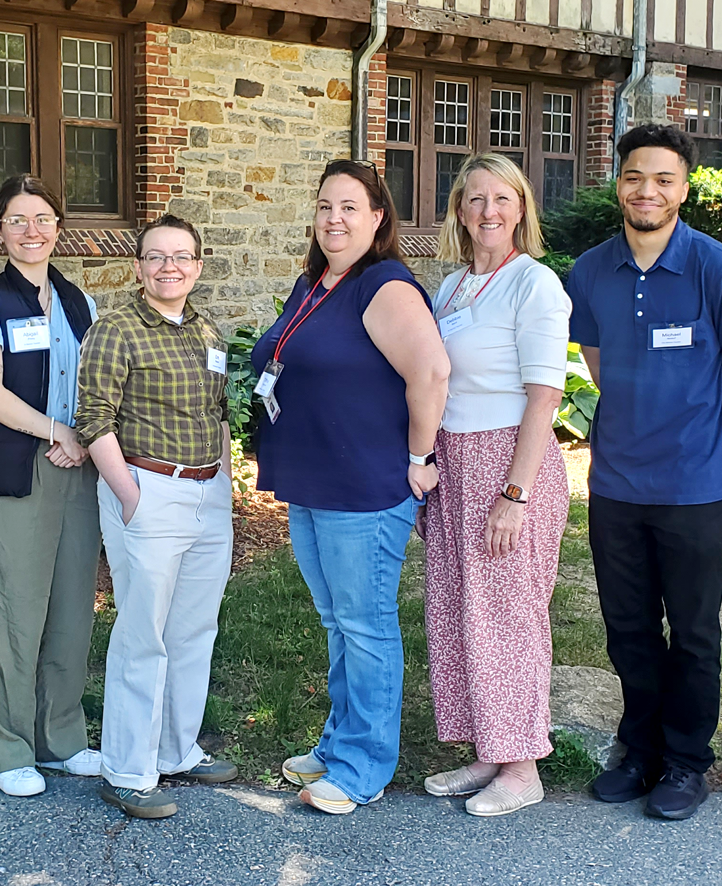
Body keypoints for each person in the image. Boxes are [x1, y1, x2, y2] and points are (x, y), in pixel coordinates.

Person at [567, 125, 722, 821]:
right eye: (634, 177)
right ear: (618, 183)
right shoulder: (589, 271)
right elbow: (595, 359)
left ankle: (686, 763)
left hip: (694, 487)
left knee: (694, 631)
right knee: (628, 630)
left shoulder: (716, 268)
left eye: (663, 179)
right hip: (616, 484)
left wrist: (694, 423)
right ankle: (640, 749)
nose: (646, 190)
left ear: (684, 188)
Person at [252, 159, 450, 815]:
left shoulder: (382, 285)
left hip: (363, 486)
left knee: (365, 627)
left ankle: (364, 766)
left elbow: (431, 372)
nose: (334, 219)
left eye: (349, 207)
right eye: (324, 206)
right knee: (339, 622)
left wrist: (421, 456)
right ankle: (340, 743)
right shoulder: (317, 284)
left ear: (378, 218)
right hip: (313, 480)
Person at [419, 154, 572, 817]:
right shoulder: (449, 288)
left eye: (502, 199)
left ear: (520, 209)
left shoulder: (533, 285)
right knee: (457, 611)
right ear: (458, 209)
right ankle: (487, 748)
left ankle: (523, 765)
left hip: (511, 461)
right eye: (475, 198)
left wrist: (516, 494)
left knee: (508, 617)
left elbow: (544, 397)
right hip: (453, 463)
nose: (488, 211)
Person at [75, 214, 237, 819]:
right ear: (138, 266)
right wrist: (129, 493)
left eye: (182, 256)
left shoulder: (208, 333)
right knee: (143, 633)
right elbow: (94, 416)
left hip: (206, 493)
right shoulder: (116, 329)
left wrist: (222, 484)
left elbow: (220, 411)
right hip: (145, 486)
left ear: (197, 264)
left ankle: (176, 750)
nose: (170, 267)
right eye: (157, 256)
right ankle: (126, 769)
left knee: (193, 630)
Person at [0, 175, 103, 798]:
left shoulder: (78, 302)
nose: (31, 230)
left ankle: (61, 738)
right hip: (18, 469)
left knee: (71, 607)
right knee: (14, 610)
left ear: (59, 228)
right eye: (17, 219)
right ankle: (8, 745)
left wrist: (86, 438)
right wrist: (58, 432)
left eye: (42, 218)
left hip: (78, 469)